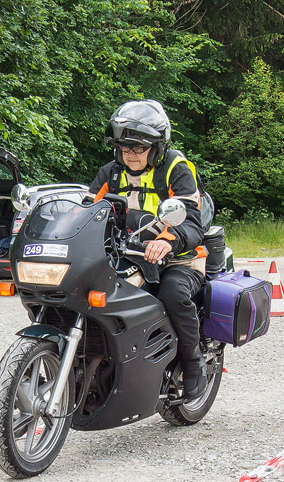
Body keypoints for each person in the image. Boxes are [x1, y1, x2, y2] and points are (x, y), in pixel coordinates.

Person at [88, 100, 208, 399]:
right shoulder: (110, 173)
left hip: (180, 259)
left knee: (173, 295)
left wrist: (167, 241)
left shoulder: (177, 170)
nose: (130, 154)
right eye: (123, 147)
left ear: (157, 146)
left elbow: (191, 220)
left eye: (138, 147)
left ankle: (193, 363)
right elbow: (86, 212)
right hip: (128, 256)